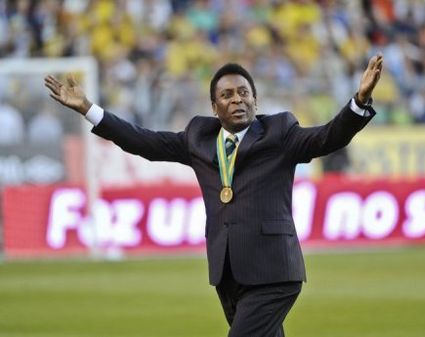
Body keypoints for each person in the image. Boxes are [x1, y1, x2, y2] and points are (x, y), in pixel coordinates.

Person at [44, 54, 383, 337]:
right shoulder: (198, 137)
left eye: (243, 92)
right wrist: (89, 108)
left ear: (255, 99)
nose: (237, 99)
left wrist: (359, 102)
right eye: (227, 95)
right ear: (214, 105)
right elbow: (143, 141)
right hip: (227, 273)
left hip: (274, 273)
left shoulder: (280, 133)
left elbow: (328, 137)